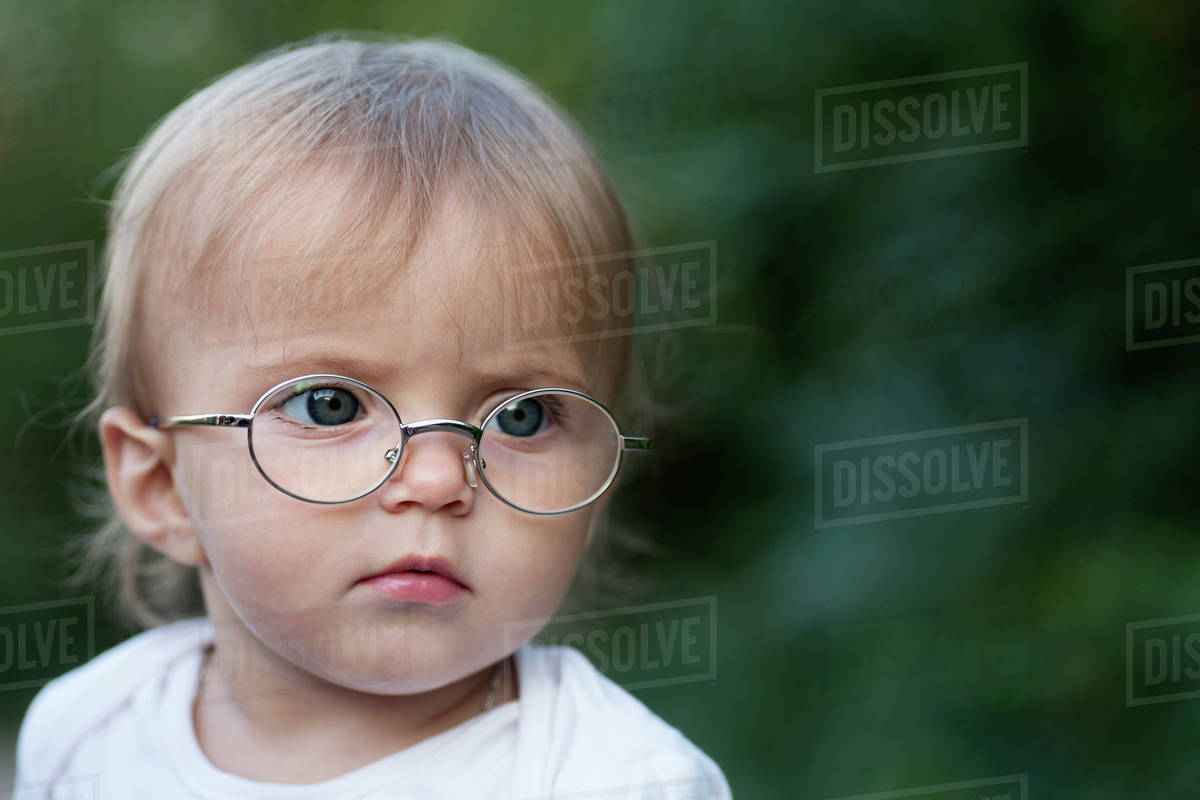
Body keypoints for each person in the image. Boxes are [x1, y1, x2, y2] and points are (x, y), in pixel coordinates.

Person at [12, 32, 732, 799]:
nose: (437, 478)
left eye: (521, 417)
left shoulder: (610, 780)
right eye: (331, 405)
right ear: (160, 483)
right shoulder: (91, 736)